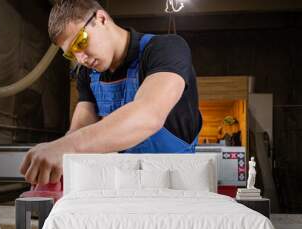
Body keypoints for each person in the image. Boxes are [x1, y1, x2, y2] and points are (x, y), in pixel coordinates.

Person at [20, 0, 202, 186]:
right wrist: (58, 160)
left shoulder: (165, 49)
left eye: (81, 42)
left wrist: (67, 147)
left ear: (101, 18)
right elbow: (79, 131)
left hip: (176, 183)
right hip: (122, 183)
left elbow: (148, 115)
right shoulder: (88, 74)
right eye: (72, 54)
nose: (81, 59)